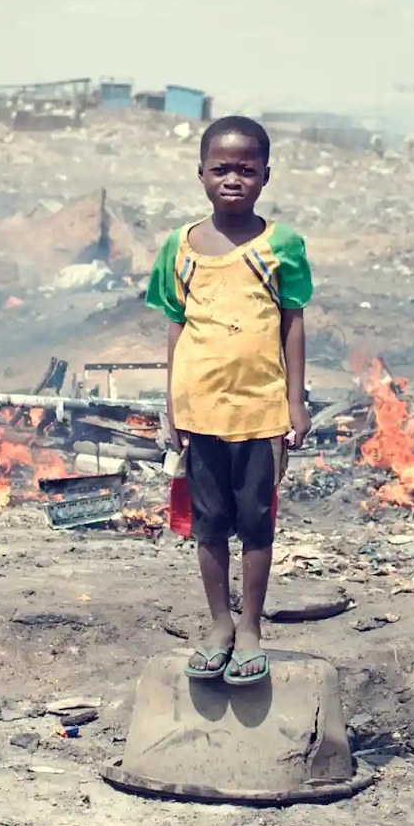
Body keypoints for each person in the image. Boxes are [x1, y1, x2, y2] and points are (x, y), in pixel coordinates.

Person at [145, 116, 312, 687]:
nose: (233, 179)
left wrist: (295, 401)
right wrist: (171, 406)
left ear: (266, 175)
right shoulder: (180, 247)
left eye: (246, 169)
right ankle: (219, 624)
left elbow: (292, 322)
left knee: (256, 523)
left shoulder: (281, 245)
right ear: (200, 175)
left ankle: (251, 630)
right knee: (209, 523)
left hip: (260, 410)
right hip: (199, 410)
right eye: (221, 169)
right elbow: (175, 326)